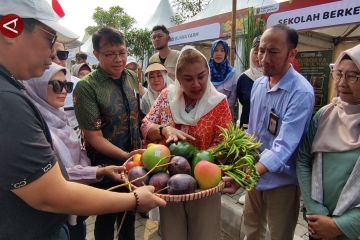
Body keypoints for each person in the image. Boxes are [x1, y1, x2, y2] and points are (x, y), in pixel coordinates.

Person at [0, 1, 165, 239]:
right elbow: (50, 193)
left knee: (126, 224)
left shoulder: (130, 78)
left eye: (122, 53)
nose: (53, 56)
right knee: (108, 224)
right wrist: (134, 198)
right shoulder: (8, 101)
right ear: (10, 28)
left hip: (121, 164)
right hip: (38, 224)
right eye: (49, 39)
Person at [223, 24, 315, 240]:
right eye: (261, 50)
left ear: (292, 53)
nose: (263, 58)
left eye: (273, 52)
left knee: (278, 235)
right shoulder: (259, 85)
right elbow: (253, 134)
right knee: (251, 229)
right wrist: (242, 167)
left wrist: (245, 176)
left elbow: (283, 147)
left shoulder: (301, 92)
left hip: (282, 182)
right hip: (255, 176)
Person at [23, 63, 124, 239]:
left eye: (67, 85)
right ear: (37, 86)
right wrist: (98, 171)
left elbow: (80, 155)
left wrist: (94, 171)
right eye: (56, 85)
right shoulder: (35, 128)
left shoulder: (60, 118)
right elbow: (57, 176)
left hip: (76, 209)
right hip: (56, 218)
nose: (63, 91)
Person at [141, 45, 233, 240]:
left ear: (208, 72)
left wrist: (200, 157)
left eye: (201, 76)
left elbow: (226, 144)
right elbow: (145, 124)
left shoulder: (219, 103)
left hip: (204, 187)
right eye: (188, 79)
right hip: (170, 185)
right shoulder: (167, 97)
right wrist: (163, 130)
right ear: (177, 78)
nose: (197, 84)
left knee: (204, 234)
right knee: (173, 234)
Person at [73, 27, 146, 240]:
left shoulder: (131, 76)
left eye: (122, 52)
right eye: (110, 54)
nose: (118, 59)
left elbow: (137, 114)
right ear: (96, 54)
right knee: (106, 217)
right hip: (106, 167)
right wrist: (125, 157)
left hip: (134, 161)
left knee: (130, 212)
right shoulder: (87, 87)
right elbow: (93, 136)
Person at [297, 44, 360, 240]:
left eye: (352, 76)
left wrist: (340, 226)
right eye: (338, 73)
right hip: (319, 224)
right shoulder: (325, 115)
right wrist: (316, 210)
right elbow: (303, 160)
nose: (342, 82)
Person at [52, 41, 81, 138]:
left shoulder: (79, 85)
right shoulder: (25, 87)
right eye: (50, 56)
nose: (56, 60)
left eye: (62, 55)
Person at [236, 36, 262, 129]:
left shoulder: (272, 78)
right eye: (255, 52)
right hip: (246, 128)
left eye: (262, 52)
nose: (258, 56)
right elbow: (242, 101)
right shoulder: (243, 78)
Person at [209, 39, 238, 115]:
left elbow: (233, 98)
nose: (219, 53)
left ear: (226, 53)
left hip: (225, 113)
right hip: (207, 113)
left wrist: (220, 109)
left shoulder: (232, 73)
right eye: (216, 50)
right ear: (212, 52)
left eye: (222, 50)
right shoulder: (205, 71)